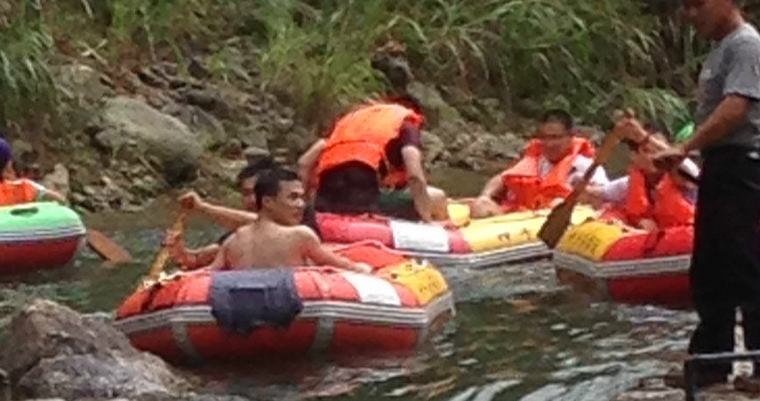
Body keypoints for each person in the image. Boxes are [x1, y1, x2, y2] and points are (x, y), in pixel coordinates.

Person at [652, 0, 760, 386]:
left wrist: (684, 148)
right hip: (721, 166)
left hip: (743, 167)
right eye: (688, 7)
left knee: (746, 265)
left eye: (699, 4)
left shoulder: (746, 45)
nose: (692, 15)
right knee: (711, 269)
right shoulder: (720, 50)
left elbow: (735, 108)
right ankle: (712, 362)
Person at [175, 159, 376, 273]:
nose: (300, 204)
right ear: (269, 201)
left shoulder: (235, 241)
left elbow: (206, 273)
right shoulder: (300, 235)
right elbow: (345, 267)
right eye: (293, 198)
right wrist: (366, 270)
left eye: (300, 198)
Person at [298, 96, 449, 223]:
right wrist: (427, 220)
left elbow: (304, 163)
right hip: (364, 206)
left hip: (324, 203)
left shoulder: (350, 121)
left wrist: (303, 209)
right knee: (438, 197)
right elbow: (415, 176)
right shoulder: (406, 125)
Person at [466, 110, 607, 218]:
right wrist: (486, 195)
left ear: (571, 137)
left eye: (555, 138)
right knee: (481, 205)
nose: (549, 144)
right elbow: (502, 178)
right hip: (520, 218)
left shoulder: (588, 168)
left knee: (557, 204)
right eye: (544, 138)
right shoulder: (536, 161)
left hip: (553, 223)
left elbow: (603, 200)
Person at [598, 120, 696, 233]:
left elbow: (679, 159)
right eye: (647, 151)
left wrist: (644, 137)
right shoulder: (628, 184)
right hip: (657, 242)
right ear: (634, 156)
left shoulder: (684, 175)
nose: (655, 156)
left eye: (658, 150)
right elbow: (596, 193)